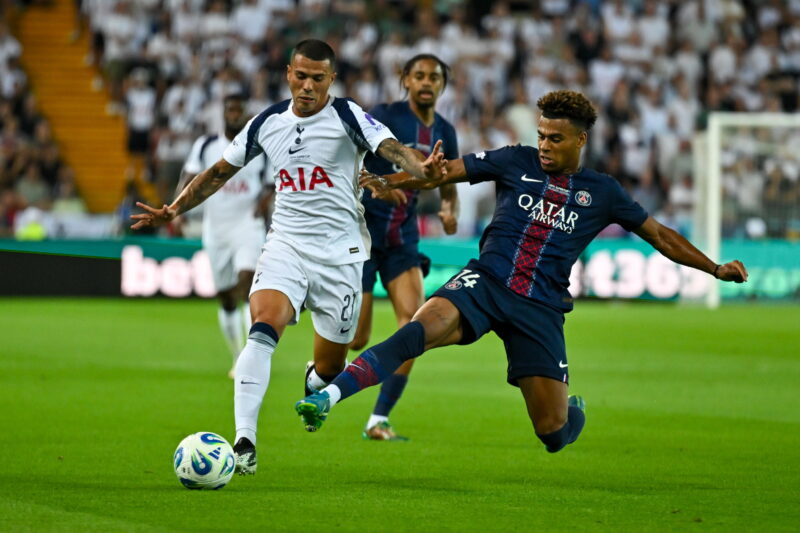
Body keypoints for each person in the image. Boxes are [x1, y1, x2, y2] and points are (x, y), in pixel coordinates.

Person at [295, 90, 748, 453]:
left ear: (580, 141)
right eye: (541, 136)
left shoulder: (603, 192)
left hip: (540, 307)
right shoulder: (515, 160)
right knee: (416, 330)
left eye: (555, 139)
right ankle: (327, 397)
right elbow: (442, 173)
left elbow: (660, 235)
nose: (544, 145)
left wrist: (713, 267)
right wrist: (389, 180)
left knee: (552, 433)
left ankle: (573, 410)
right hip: (485, 283)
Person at [131, 39, 445, 474]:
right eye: (301, 76)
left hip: (340, 257)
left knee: (332, 367)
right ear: (288, 74)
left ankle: (314, 379)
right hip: (286, 246)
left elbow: (391, 148)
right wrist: (174, 208)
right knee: (263, 328)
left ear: (331, 79)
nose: (308, 86)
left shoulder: (348, 115)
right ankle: (244, 441)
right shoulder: (267, 122)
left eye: (318, 78)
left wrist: (420, 167)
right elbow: (219, 171)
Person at [317, 53, 459, 441]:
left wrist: (449, 209)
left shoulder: (445, 129)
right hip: (362, 235)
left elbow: (448, 180)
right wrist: (378, 185)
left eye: (434, 77)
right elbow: (349, 159)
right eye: (419, 75)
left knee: (413, 328)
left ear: (442, 85)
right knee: (357, 338)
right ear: (405, 80)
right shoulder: (383, 116)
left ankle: (377, 419)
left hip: (402, 240)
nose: (426, 82)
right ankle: (320, 370)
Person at [178, 93, 271, 378]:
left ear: (245, 114)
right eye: (229, 110)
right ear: (223, 113)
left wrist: (262, 204)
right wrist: (177, 210)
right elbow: (190, 178)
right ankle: (236, 355)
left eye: (238, 110)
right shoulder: (206, 145)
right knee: (227, 298)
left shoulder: (259, 147)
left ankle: (250, 358)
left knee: (247, 285)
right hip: (216, 228)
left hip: (248, 225)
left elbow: (271, 183)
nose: (233, 114)